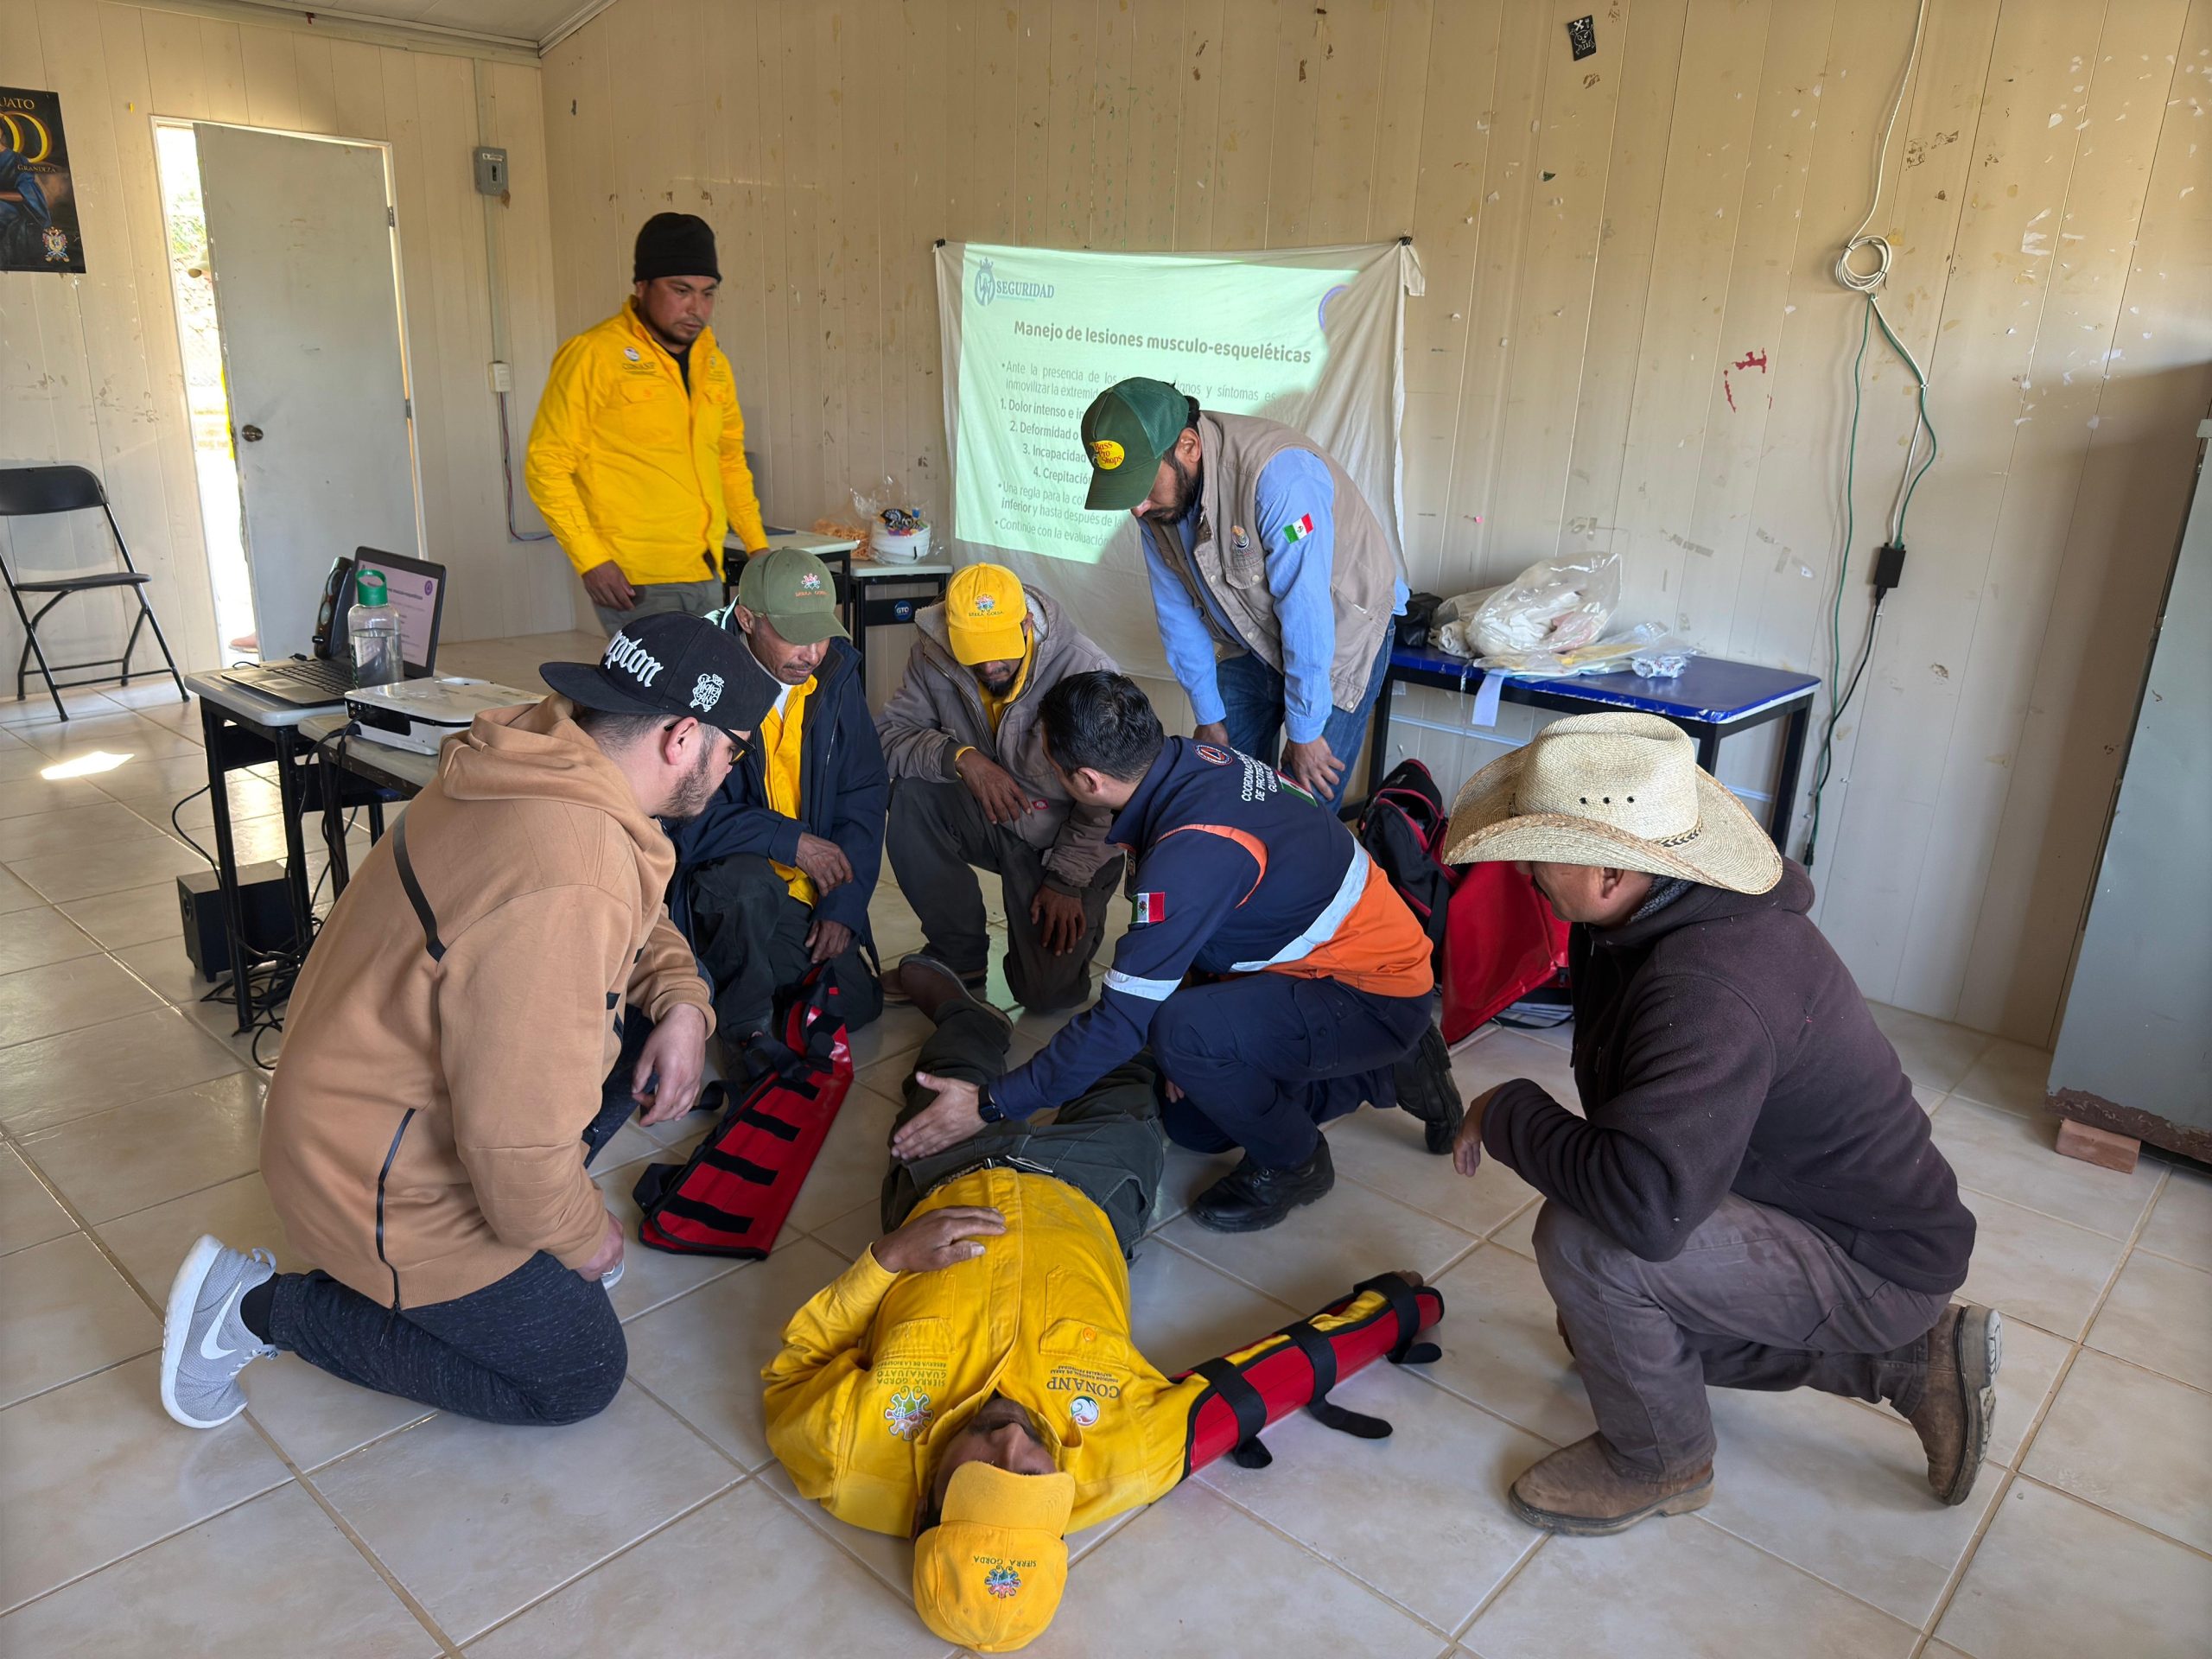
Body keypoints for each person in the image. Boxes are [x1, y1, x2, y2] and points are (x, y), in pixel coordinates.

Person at [158, 614, 774, 1430]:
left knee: (646, 1041)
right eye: (735, 748)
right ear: (681, 736)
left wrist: (686, 1006)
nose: (732, 770)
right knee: (577, 1375)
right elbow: (513, 1148)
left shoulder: (550, 754)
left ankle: (515, 1234)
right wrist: (582, 1237)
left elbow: (628, 903)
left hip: (351, 1109)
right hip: (375, 1181)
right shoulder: (569, 870)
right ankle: (252, 1309)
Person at [765, 957, 1446, 1652]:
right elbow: (1264, 1382)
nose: (1012, 1440)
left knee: (953, 1061)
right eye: (1029, 1476)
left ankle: (967, 1014)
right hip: (1095, 1182)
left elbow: (793, 1369)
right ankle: (1306, 1039)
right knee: (1139, 1058)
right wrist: (1400, 1307)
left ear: (927, 1509)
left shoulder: (840, 1455)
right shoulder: (1127, 1462)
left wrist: (890, 1260)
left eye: (984, 1473)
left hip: (946, 1171)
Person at [1441, 711, 1993, 1535]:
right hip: (1827, 1213)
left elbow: (1646, 1206)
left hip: (1876, 1259)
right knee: (1597, 1328)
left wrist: (1508, 1110)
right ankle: (1908, 1361)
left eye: (1539, 852)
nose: (1524, 870)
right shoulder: (1657, 914)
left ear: (1608, 873)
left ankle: (1661, 1462)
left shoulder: (1711, 985)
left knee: (1590, 1248)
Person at [888, 671, 1461, 1234]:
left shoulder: (1191, 853)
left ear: (1087, 781)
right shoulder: (1189, 761)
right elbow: (1218, 924)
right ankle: (1386, 1070)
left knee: (1185, 1036)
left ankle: (1298, 1163)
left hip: (1371, 991)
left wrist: (991, 1103)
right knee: (1194, 1124)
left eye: (1049, 764)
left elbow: (1119, 1022)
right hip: (1332, 959)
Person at [1078, 377, 1407, 810]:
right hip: (1248, 637)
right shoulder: (1155, 504)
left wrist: (1305, 732)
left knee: (1301, 810)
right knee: (1219, 787)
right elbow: (1176, 613)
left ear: (1188, 446)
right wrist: (1209, 716)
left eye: (1142, 486)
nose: (1137, 508)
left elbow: (1306, 611)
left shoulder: (1279, 480)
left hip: (1340, 637)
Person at [669, 545, 887, 1058]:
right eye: (793, 634)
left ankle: (744, 982)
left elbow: (863, 791)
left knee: (857, 1005)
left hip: (800, 885)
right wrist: (789, 841)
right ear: (747, 619)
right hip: (725, 881)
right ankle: (744, 1026)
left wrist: (844, 904)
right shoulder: (699, 679)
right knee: (746, 887)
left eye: (821, 632)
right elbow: (677, 816)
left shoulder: (832, 676)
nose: (811, 652)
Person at [877, 563, 1123, 1012]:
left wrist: (1068, 879)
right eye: (975, 651)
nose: (990, 665)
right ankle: (958, 954)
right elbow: (891, 736)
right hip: (992, 817)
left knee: (1046, 996)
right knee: (912, 794)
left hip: (1063, 843)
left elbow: (1110, 799)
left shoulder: (1086, 670)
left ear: (1027, 623)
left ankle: (1076, 911)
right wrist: (961, 759)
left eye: (1001, 649)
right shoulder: (933, 654)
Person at [527, 212, 768, 634]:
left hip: (705, 568)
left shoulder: (712, 363)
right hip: (634, 579)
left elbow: (728, 459)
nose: (697, 308)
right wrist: (591, 559)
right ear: (642, 287)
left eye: (708, 293)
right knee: (661, 697)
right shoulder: (593, 355)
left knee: (701, 694)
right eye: (681, 291)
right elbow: (546, 464)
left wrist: (756, 545)